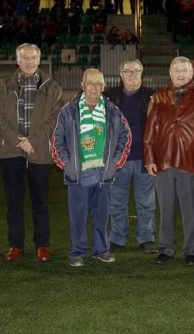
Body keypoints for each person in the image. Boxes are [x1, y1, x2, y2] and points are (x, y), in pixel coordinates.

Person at [51, 68, 131, 267]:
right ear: (82, 85)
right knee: (77, 216)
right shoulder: (68, 111)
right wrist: (68, 165)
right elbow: (56, 140)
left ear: (103, 86)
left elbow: (125, 136)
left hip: (103, 173)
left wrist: (115, 163)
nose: (94, 87)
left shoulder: (112, 111)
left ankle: (101, 250)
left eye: (98, 84)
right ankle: (77, 251)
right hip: (78, 174)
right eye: (90, 83)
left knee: (102, 215)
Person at [0, 43, 63, 263]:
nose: (29, 62)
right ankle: (16, 245)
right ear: (17, 60)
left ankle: (41, 245)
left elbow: (55, 118)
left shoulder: (52, 87)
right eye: (25, 58)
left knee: (40, 202)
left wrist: (32, 141)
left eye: (33, 58)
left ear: (39, 60)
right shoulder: (5, 85)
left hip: (39, 151)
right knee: (14, 203)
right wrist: (18, 141)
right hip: (10, 151)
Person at [144, 56, 194, 266]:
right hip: (163, 161)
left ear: (191, 73)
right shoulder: (158, 97)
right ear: (170, 73)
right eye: (176, 70)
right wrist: (149, 159)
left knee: (189, 209)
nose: (180, 74)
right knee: (165, 209)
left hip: (189, 162)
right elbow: (149, 132)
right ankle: (166, 249)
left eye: (184, 70)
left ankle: (191, 250)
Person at [104, 59, 156, 253]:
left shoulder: (153, 97)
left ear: (142, 73)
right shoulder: (109, 97)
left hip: (145, 159)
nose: (132, 74)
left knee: (146, 202)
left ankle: (146, 237)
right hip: (118, 160)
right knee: (116, 201)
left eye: (136, 71)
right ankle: (117, 237)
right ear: (121, 74)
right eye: (128, 71)